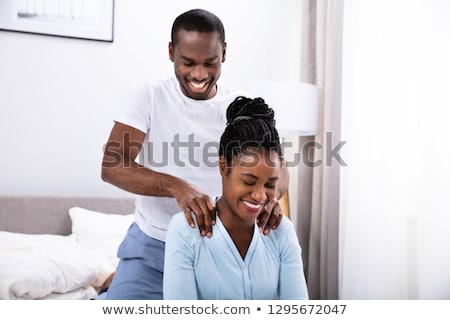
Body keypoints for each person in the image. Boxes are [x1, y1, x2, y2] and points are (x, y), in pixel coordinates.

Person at [100, 9, 288, 299]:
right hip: (153, 246)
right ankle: (117, 283)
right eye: (188, 62)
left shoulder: (240, 109)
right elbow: (112, 165)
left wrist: (270, 196)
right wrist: (176, 186)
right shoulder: (149, 96)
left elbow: (279, 169)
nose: (199, 75)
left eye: (209, 63)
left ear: (223, 53)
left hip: (217, 251)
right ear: (171, 52)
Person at [163, 96, 308, 300]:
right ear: (223, 166)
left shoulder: (281, 231)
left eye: (269, 185)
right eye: (249, 181)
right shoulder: (186, 229)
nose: (259, 196)